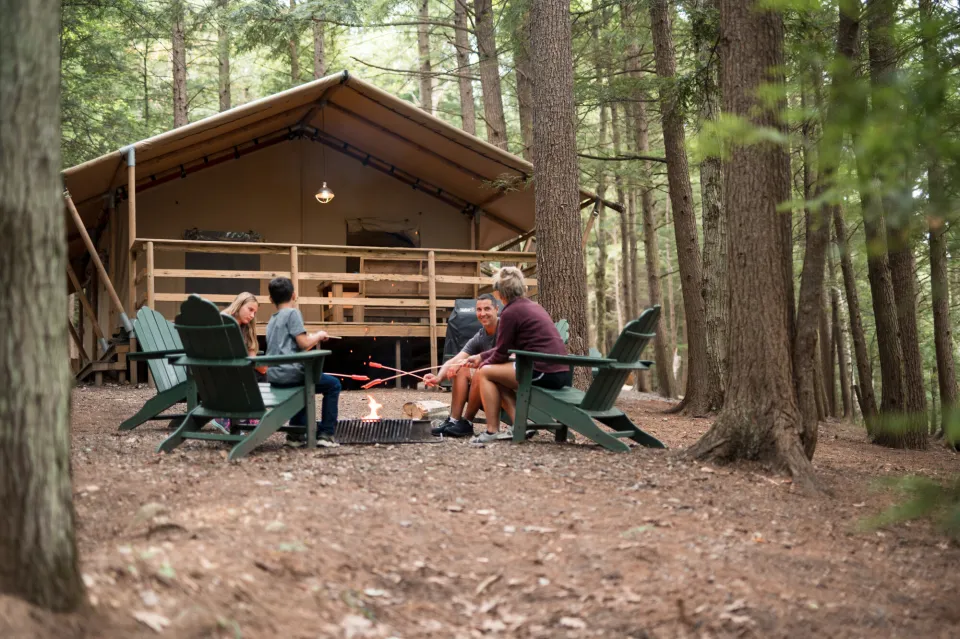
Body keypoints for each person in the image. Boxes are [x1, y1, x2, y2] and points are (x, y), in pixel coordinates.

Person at [465, 266, 571, 444]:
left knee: (485, 373)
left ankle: (491, 431)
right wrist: (482, 357)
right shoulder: (531, 306)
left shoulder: (510, 312)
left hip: (543, 371)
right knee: (495, 375)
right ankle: (520, 425)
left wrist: (483, 364)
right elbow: (506, 347)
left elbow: (502, 353)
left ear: (499, 293)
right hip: (557, 370)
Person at [265, 277, 341, 444]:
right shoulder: (293, 313)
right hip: (291, 375)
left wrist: (311, 338)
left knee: (304, 381)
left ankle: (297, 434)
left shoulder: (272, 320)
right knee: (333, 384)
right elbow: (303, 342)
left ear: (271, 299)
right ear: (294, 295)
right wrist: (319, 335)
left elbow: (293, 348)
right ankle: (326, 434)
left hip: (275, 376)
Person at [424, 294, 500, 438]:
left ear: (496, 309)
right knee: (460, 367)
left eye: (487, 309)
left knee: (480, 370)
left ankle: (467, 422)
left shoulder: (505, 329)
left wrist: (481, 360)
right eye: (479, 309)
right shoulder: (481, 335)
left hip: (505, 382)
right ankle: (454, 421)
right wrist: (438, 377)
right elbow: (456, 359)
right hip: (489, 381)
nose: (482, 313)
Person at [214, 292, 266, 432]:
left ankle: (249, 416)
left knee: (262, 375)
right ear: (239, 305)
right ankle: (226, 416)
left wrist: (261, 366)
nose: (252, 315)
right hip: (218, 371)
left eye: (255, 312)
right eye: (250, 309)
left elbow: (252, 357)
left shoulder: (246, 328)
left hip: (238, 370)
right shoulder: (222, 322)